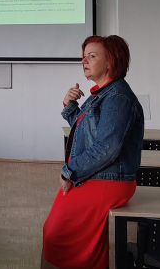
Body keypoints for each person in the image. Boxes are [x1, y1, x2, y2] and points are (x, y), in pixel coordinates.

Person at [41, 35, 144, 269]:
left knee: (56, 234)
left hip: (109, 179)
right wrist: (70, 107)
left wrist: (70, 171)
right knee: (55, 233)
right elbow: (88, 133)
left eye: (92, 56)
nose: (84, 61)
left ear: (110, 62)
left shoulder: (117, 98)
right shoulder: (103, 93)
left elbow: (107, 148)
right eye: (84, 57)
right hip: (96, 175)